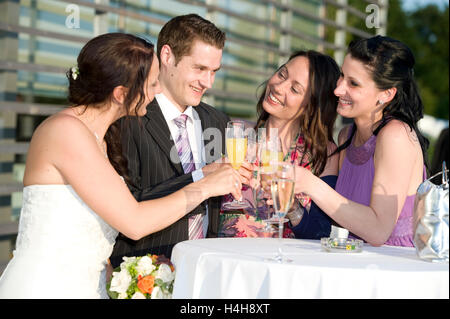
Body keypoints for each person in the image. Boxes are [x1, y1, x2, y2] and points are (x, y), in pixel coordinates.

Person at [0, 33, 242, 299]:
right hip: (46, 288)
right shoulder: (65, 131)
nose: (158, 90)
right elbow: (134, 221)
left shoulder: (101, 137)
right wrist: (205, 187)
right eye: (151, 85)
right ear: (121, 94)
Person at [110, 14, 252, 267]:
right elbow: (125, 206)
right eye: (199, 69)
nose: (207, 82)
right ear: (167, 56)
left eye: (214, 72)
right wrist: (202, 178)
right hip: (142, 274)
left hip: (205, 275)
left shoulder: (219, 122)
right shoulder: (128, 119)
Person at [294, 35, 429, 247]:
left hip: (393, 266)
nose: (338, 89)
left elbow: (377, 231)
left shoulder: (395, 136)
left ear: (386, 94)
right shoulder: (346, 136)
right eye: (341, 76)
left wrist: (310, 184)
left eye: (353, 83)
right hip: (353, 261)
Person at [218, 50, 341, 239]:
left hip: (283, 263)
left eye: (294, 89)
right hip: (228, 262)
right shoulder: (236, 135)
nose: (279, 86)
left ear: (312, 107)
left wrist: (292, 208)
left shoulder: (323, 155)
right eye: (282, 74)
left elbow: (321, 231)